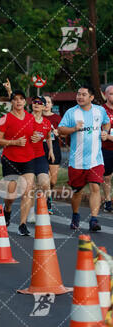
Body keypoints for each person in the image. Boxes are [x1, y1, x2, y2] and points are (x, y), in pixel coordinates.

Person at [58, 85, 110, 232]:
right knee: (77, 192)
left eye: (83, 94)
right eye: (78, 94)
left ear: (91, 97)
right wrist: (74, 128)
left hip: (96, 159)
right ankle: (75, 215)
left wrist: (105, 132)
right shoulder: (71, 112)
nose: (79, 97)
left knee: (95, 187)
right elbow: (61, 130)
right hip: (77, 161)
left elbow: (106, 122)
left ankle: (94, 219)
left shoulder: (99, 110)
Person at [0, 89, 35, 236]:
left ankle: (22, 224)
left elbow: (33, 137)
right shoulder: (6, 118)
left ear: (25, 101)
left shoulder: (31, 118)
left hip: (28, 158)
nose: (18, 102)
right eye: (15, 99)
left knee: (27, 190)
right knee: (10, 195)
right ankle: (7, 210)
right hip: (10, 159)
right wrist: (14, 142)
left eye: (21, 99)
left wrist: (36, 138)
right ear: (11, 102)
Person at [28, 96, 54, 213]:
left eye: (39, 102)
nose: (36, 104)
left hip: (40, 155)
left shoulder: (47, 122)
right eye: (34, 102)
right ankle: (31, 210)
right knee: (30, 186)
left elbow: (48, 137)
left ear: (44, 106)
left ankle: (48, 199)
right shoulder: (26, 118)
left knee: (44, 181)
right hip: (26, 156)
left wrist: (51, 151)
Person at [42, 95, 62, 214]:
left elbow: (63, 133)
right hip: (40, 148)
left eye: (48, 102)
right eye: (44, 102)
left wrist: (58, 132)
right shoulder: (36, 117)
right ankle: (47, 202)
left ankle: (47, 195)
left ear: (51, 105)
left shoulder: (57, 118)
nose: (46, 104)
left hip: (54, 148)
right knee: (45, 178)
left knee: (53, 181)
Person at [101, 85, 113, 212]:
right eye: (111, 94)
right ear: (105, 95)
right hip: (106, 149)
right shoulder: (101, 110)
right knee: (107, 176)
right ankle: (108, 201)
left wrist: (108, 136)